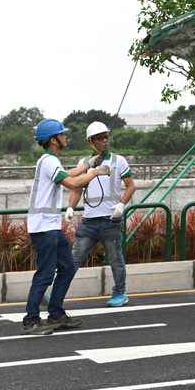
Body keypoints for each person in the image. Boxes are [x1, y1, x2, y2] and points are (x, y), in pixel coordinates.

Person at [23, 119, 108, 335]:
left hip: (51, 226)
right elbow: (71, 183)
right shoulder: (49, 161)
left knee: (68, 267)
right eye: (62, 134)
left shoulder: (51, 161)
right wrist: (96, 172)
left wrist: (89, 164)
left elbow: (68, 174)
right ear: (53, 140)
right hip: (43, 228)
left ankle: (56, 315)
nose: (65, 136)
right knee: (45, 274)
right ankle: (31, 321)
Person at [67, 121, 137, 307]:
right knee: (73, 259)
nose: (105, 141)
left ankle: (120, 293)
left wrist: (122, 205)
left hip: (111, 220)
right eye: (99, 138)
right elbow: (77, 189)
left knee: (116, 259)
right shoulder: (83, 164)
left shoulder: (118, 161)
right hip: (88, 221)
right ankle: (57, 292)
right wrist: (70, 207)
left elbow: (131, 186)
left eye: (106, 137)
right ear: (91, 142)